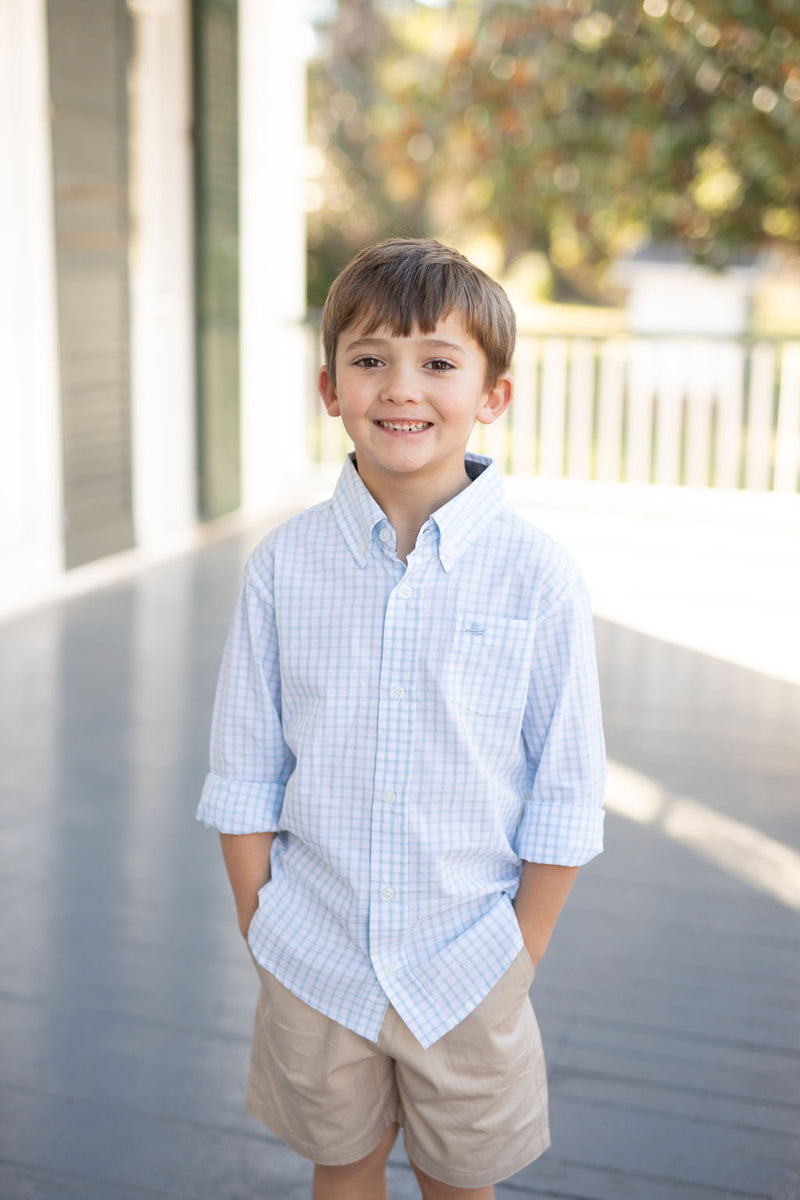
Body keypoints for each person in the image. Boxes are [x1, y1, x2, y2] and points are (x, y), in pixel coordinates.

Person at [197, 238, 605, 1200]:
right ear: (329, 388)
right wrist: (263, 925)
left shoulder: (536, 576)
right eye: (370, 359)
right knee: (340, 1164)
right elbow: (246, 766)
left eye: (437, 361)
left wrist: (519, 952)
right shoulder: (284, 569)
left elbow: (567, 787)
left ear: (492, 395)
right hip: (313, 949)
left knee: (460, 1180)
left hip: (468, 961)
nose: (400, 387)